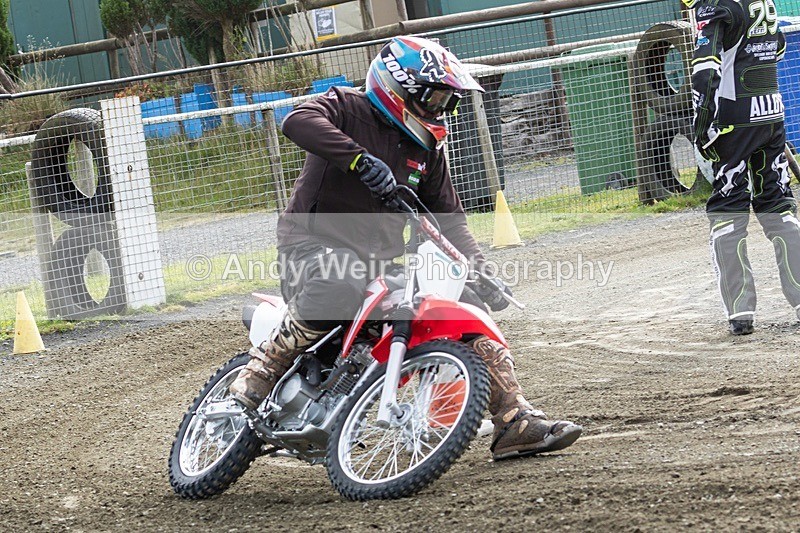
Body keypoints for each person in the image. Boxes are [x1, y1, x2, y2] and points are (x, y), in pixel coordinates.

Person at [229, 36, 582, 459]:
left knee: (467, 303)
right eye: (434, 97)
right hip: (309, 248)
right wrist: (358, 161)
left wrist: (480, 272)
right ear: (399, 87)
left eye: (447, 101)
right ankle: (265, 366)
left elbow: (449, 220)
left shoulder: (426, 150)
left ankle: (513, 420)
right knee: (341, 279)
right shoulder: (346, 106)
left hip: (377, 266)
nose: (440, 109)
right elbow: (296, 122)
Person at [687, 0, 800, 334]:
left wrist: (700, 125)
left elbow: (705, 70)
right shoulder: (763, 2)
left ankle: (740, 313)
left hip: (731, 121)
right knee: (778, 205)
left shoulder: (717, 6)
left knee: (727, 211)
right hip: (771, 114)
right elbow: (776, 47)